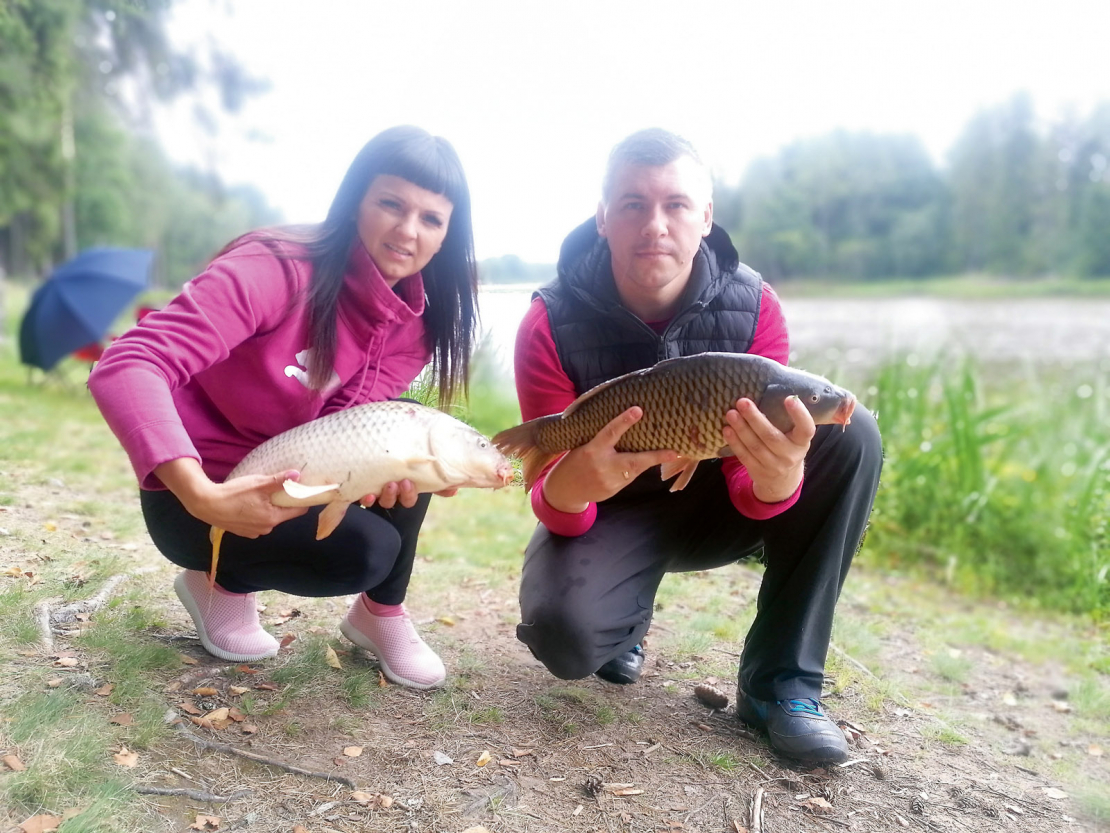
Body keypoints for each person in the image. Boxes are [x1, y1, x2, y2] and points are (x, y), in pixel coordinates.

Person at [510, 128, 883, 763]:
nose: (655, 224)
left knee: (854, 437)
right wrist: (575, 484)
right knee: (565, 638)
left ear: (705, 219)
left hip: (715, 501)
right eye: (632, 204)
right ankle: (622, 616)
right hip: (612, 510)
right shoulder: (549, 319)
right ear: (603, 218)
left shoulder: (755, 306)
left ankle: (780, 685)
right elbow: (550, 494)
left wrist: (778, 480)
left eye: (676, 205)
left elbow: (750, 480)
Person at [88, 125, 479, 690]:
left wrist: (379, 478)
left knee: (406, 438)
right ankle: (219, 585)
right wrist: (202, 495)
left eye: (431, 219)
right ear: (355, 202)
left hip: (294, 473)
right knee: (363, 551)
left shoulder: (417, 322)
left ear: (447, 235)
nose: (407, 230)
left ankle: (380, 613)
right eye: (390, 204)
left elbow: (342, 427)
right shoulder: (275, 267)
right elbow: (130, 362)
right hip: (199, 491)